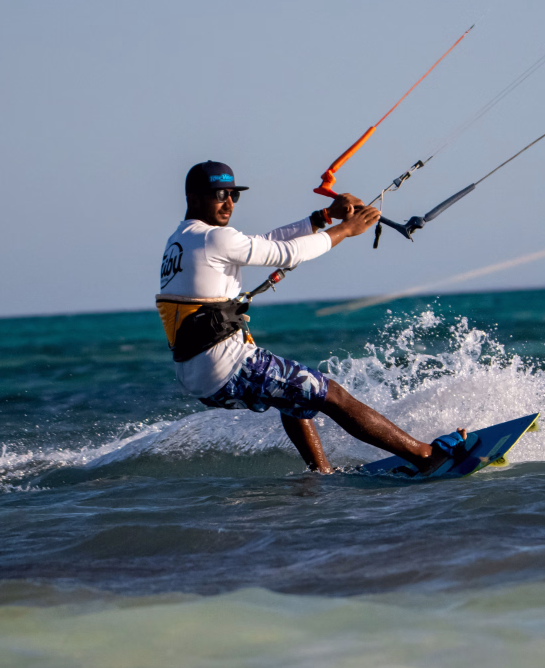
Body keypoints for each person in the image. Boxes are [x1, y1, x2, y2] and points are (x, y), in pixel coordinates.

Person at [156, 161, 467, 474]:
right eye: (220, 194)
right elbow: (286, 253)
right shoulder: (212, 238)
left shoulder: (180, 242)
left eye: (234, 195)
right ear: (194, 197)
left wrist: (323, 218)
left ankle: (321, 475)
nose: (229, 203)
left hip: (197, 377)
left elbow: (264, 243)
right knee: (333, 395)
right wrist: (345, 229)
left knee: (293, 400)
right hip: (228, 365)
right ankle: (425, 456)